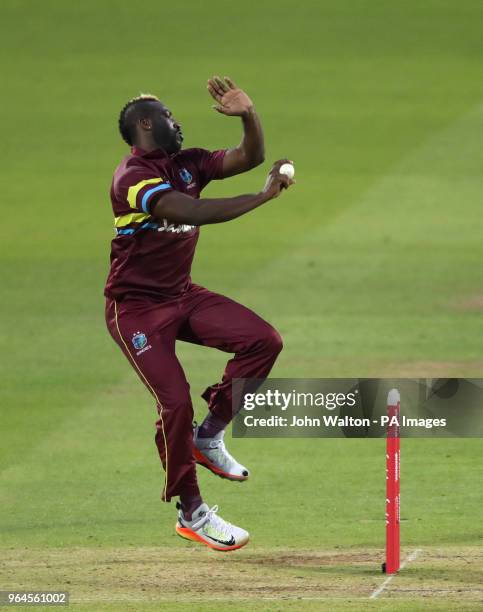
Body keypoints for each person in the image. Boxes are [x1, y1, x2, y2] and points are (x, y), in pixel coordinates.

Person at [104, 76, 294, 551]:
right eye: (168, 116)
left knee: (263, 341)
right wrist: (263, 197)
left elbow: (247, 158)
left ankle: (208, 436)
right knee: (174, 404)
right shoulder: (133, 178)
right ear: (146, 124)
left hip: (182, 295)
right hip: (137, 311)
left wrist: (249, 114)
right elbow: (192, 210)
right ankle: (192, 512)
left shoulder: (185, 164)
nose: (177, 122)